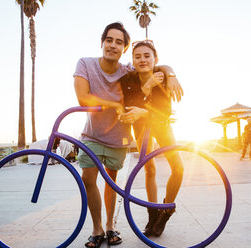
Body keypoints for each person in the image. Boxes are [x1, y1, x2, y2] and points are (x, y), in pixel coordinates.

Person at [73, 22, 182, 248]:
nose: (113, 45)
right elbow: (88, 99)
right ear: (102, 42)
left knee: (173, 168)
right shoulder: (104, 69)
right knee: (95, 178)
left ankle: (155, 212)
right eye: (109, 40)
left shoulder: (143, 73)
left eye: (119, 42)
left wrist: (169, 72)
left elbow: (153, 71)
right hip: (111, 130)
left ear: (124, 49)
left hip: (140, 130)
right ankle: (107, 226)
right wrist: (119, 103)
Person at [118, 40, 184, 237]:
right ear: (132, 61)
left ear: (155, 59)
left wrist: (170, 74)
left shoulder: (163, 77)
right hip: (140, 128)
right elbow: (131, 108)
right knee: (149, 168)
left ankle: (166, 210)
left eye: (147, 56)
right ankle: (152, 213)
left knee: (178, 167)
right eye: (137, 57)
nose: (142, 60)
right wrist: (146, 88)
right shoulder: (128, 79)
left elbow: (164, 112)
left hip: (161, 125)